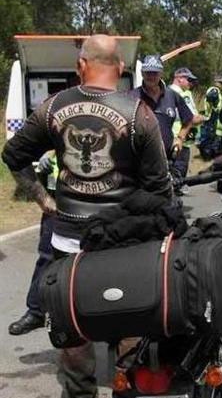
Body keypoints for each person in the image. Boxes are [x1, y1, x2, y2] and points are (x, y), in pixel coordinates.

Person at [2, 34, 172, 398]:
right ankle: (125, 388)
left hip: (68, 240)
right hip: (124, 243)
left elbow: (14, 155)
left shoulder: (52, 107)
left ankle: (80, 391)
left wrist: (42, 198)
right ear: (122, 68)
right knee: (130, 322)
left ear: (80, 65)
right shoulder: (140, 114)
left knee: (74, 326)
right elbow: (159, 191)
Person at [8, 154, 57, 335]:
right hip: (58, 199)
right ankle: (36, 311)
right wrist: (42, 198)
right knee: (48, 256)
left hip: (98, 201)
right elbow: (15, 154)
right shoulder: (52, 125)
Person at [131, 55, 193, 159]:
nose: (151, 76)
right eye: (148, 73)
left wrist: (180, 139)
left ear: (161, 73)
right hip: (137, 159)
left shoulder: (172, 95)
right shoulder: (132, 96)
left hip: (166, 160)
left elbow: (188, 119)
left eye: (155, 73)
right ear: (142, 73)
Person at [170, 67, 204, 181]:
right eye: (189, 80)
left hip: (170, 138)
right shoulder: (182, 95)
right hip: (181, 139)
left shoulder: (166, 92)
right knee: (178, 176)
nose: (191, 83)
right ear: (179, 79)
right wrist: (203, 118)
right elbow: (192, 118)